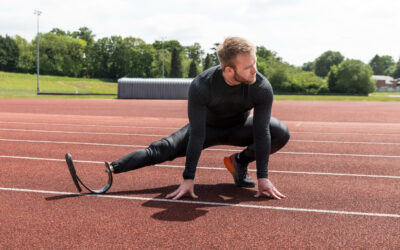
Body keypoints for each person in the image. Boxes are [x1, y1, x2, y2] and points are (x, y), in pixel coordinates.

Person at [107, 37, 290, 200]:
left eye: (255, 63)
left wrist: (263, 177)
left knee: (279, 132)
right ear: (229, 70)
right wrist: (188, 178)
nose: (255, 71)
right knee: (161, 149)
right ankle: (114, 167)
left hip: (239, 128)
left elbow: (261, 132)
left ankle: (239, 162)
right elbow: (196, 134)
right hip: (205, 128)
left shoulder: (261, 86)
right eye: (248, 67)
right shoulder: (202, 85)